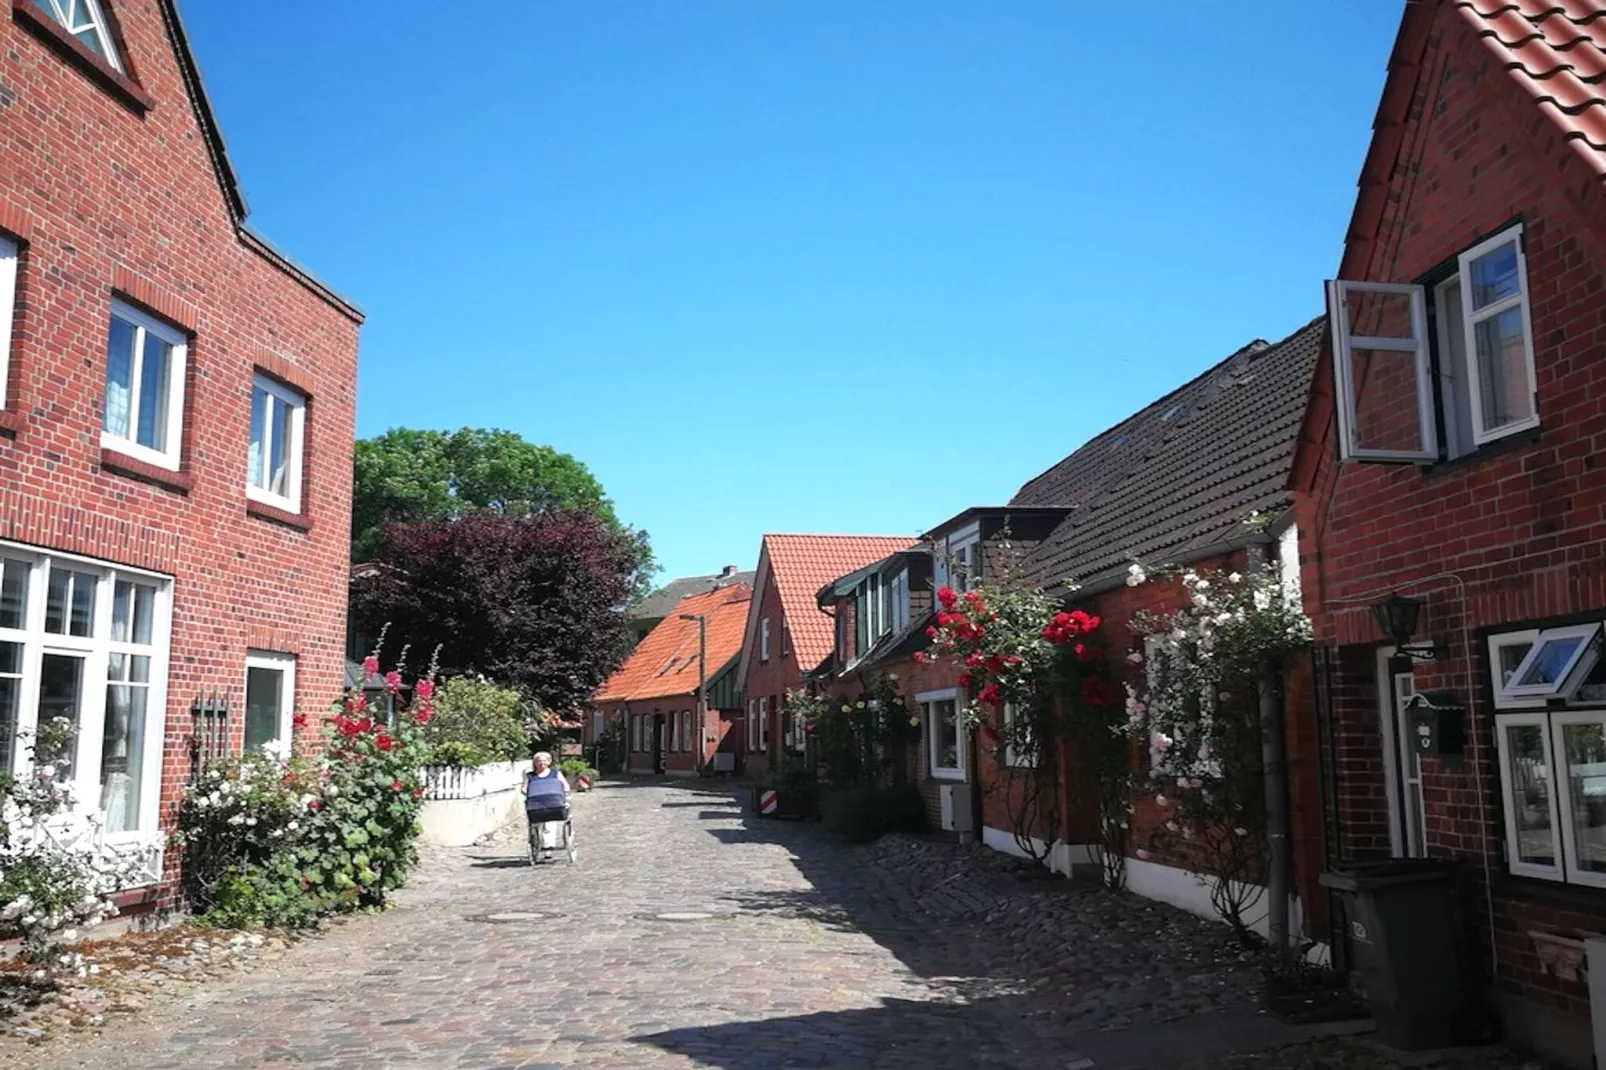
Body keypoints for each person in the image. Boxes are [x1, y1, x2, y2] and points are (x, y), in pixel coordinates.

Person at [525, 751, 570, 862]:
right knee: (536, 824)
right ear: (535, 763)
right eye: (539, 761)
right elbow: (524, 788)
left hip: (552, 803)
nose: (541, 763)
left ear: (549, 762)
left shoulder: (555, 773)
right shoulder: (530, 776)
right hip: (536, 803)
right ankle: (537, 843)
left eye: (544, 761)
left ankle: (548, 848)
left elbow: (565, 786)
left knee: (549, 824)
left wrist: (565, 795)